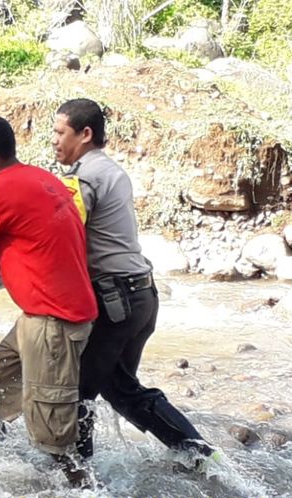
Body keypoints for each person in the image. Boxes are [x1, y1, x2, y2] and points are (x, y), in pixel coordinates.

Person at [52, 98, 218, 465]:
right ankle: (200, 454)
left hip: (116, 299)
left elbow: (62, 235)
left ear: (86, 133)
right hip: (141, 295)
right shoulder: (112, 170)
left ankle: (76, 479)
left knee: (78, 392)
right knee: (119, 388)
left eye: (59, 132)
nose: (54, 140)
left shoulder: (81, 178)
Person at [0, 116, 97, 485]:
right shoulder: (41, 178)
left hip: (54, 321)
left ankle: (86, 489)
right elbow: (38, 236)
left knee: (52, 436)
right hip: (44, 314)